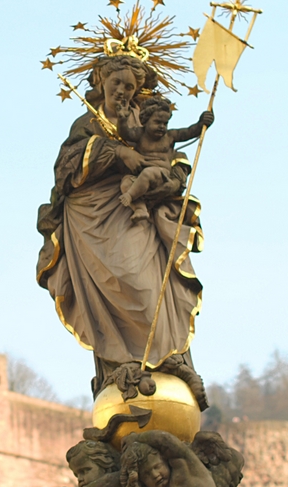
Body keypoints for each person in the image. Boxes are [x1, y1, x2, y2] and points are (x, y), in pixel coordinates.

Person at [36, 53, 205, 396]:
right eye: (117, 83)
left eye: (130, 86)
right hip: (92, 223)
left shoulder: (145, 124)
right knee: (111, 290)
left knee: (147, 287)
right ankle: (121, 366)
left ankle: (167, 359)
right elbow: (65, 169)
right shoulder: (88, 124)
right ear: (101, 82)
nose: (123, 91)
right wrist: (115, 153)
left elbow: (171, 155)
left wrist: (171, 177)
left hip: (137, 220)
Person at [117, 96, 214, 221]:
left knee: (148, 173)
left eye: (165, 123)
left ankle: (130, 196)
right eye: (157, 122)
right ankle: (140, 209)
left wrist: (201, 123)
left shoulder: (170, 136)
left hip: (161, 176)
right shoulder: (140, 134)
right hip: (140, 176)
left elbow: (189, 132)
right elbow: (125, 133)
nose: (162, 126)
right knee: (126, 183)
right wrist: (122, 119)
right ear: (145, 121)